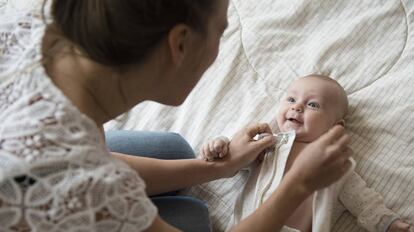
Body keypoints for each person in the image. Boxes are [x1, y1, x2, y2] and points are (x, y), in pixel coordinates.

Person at [0, 0, 354, 231]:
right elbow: (82, 171)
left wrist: (217, 168)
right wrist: (298, 185)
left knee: (175, 151)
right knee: (193, 218)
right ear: (180, 44)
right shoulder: (78, 181)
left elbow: (93, 157)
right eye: (220, 31)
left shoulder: (41, 26)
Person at [201, 75, 411, 232]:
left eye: (312, 105)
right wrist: (221, 146)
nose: (298, 107)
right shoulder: (269, 142)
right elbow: (237, 158)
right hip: (251, 224)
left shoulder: (332, 162)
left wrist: (387, 223)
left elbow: (361, 198)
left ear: (335, 127)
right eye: (291, 99)